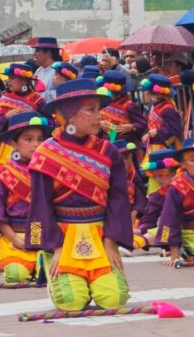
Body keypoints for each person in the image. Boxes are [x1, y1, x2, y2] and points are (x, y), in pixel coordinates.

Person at [26, 79, 132, 311]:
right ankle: (55, 274)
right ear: (70, 115)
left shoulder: (108, 151)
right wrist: (55, 248)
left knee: (115, 299)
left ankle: (93, 281)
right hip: (62, 239)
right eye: (90, 110)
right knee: (71, 302)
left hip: (100, 235)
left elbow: (118, 200)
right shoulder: (47, 153)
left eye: (98, 110)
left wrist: (111, 242)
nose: (98, 117)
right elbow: (40, 206)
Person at [0, 112, 51, 283]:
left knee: (46, 270)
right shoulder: (4, 174)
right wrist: (14, 239)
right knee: (16, 274)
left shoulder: (49, 170)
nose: (35, 144)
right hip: (14, 235)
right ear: (14, 143)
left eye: (40, 139)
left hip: (41, 232)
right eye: (28, 139)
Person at [0, 63, 45, 165]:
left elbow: (50, 122)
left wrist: (34, 116)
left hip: (32, 146)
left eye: (12, 78)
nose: (8, 81)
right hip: (9, 146)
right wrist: (7, 116)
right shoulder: (5, 99)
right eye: (8, 78)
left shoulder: (38, 100)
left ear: (24, 81)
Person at [130, 149, 178, 252]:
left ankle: (141, 241)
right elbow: (149, 219)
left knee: (164, 229)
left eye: (161, 175)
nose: (158, 180)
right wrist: (139, 230)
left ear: (174, 173)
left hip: (185, 230)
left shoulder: (185, 189)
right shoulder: (157, 196)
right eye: (155, 176)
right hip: (170, 232)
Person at [140, 74, 182, 194]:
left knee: (160, 174)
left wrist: (157, 132)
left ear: (156, 95)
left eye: (146, 92)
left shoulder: (167, 109)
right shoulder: (157, 106)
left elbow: (175, 129)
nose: (144, 94)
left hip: (163, 149)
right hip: (155, 147)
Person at [156, 138, 194, 265]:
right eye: (193, 160)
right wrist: (174, 255)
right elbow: (169, 219)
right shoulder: (177, 187)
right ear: (183, 164)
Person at [98, 71, 147, 148]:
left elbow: (143, 123)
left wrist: (131, 126)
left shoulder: (130, 106)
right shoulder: (103, 102)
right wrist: (99, 124)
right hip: (103, 143)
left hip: (124, 146)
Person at [113, 140, 146, 227]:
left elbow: (140, 198)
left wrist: (135, 211)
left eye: (127, 157)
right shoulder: (109, 177)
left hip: (132, 215)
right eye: (120, 158)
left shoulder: (134, 177)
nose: (125, 162)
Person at [33, 37, 62, 103]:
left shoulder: (60, 70)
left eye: (37, 51)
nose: (34, 54)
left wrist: (40, 96)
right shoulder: (38, 71)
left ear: (48, 53)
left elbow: (63, 93)